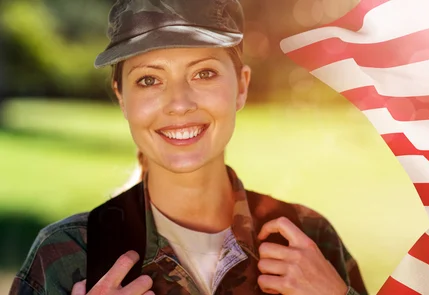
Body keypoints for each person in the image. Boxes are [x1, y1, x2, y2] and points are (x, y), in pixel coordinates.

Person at [8, 0, 368, 295]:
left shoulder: (308, 240)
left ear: (241, 87)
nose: (178, 103)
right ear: (122, 97)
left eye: (204, 73)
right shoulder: (69, 256)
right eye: (149, 80)